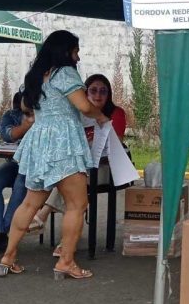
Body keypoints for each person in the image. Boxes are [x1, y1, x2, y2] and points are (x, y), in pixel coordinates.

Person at [0, 30, 109, 280]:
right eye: (75, 51)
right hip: (63, 142)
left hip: (39, 140)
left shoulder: (37, 75)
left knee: (29, 203)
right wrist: (99, 115)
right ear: (65, 51)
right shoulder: (65, 73)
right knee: (77, 204)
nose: (78, 57)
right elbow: (83, 105)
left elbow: (25, 106)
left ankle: (7, 257)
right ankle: (66, 262)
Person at [33, 74, 128, 257]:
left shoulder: (116, 113)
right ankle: (67, 241)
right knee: (71, 179)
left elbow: (116, 145)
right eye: (93, 90)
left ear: (109, 94)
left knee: (71, 179)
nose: (98, 95)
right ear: (85, 93)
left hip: (104, 167)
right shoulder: (77, 113)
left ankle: (43, 214)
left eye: (103, 91)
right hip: (79, 167)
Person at [0, 91, 34, 253]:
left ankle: (4, 231)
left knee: (20, 185)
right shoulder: (11, 115)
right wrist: (25, 125)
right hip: (15, 161)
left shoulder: (45, 116)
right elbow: (7, 135)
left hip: (33, 164)